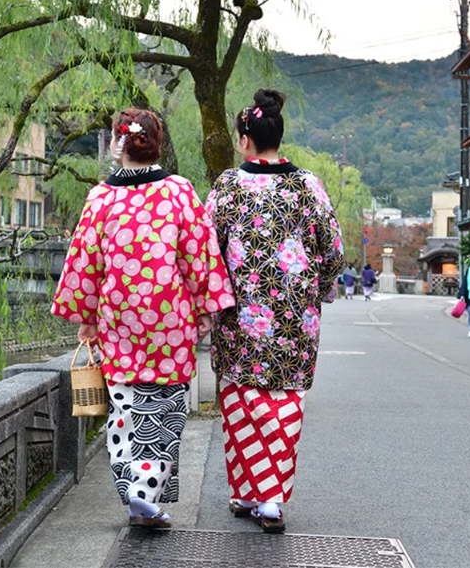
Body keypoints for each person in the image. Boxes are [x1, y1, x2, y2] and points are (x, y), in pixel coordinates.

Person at [52, 107, 235, 529]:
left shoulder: (101, 197)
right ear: (156, 144)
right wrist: (206, 306)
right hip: (169, 317)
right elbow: (199, 254)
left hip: (117, 316)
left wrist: (87, 316)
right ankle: (145, 491)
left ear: (118, 145)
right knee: (165, 406)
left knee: (124, 408)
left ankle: (136, 491)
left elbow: (85, 262)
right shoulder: (179, 192)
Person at [206, 89, 344, 533]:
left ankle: (247, 491)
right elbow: (333, 250)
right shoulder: (309, 185)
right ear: (277, 136)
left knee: (241, 400)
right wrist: (318, 289)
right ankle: (269, 500)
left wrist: (210, 302)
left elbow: (208, 251)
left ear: (245, 138)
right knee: (284, 403)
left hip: (239, 316)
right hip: (294, 317)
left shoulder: (228, 185)